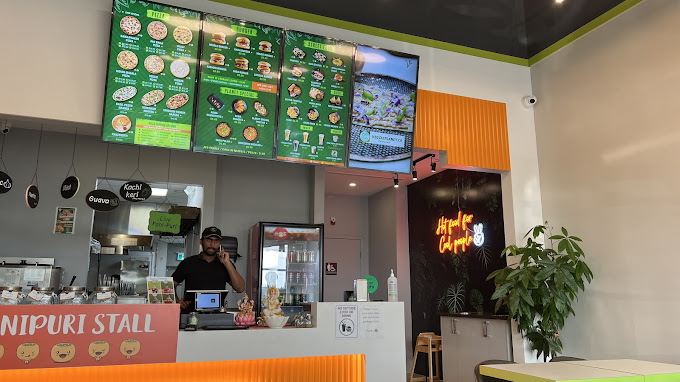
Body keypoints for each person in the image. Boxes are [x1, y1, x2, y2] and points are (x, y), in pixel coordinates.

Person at [172, 226, 245, 311]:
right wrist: (177, 301)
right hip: (190, 317)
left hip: (216, 317)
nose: (212, 244)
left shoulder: (225, 264)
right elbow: (171, 285)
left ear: (220, 244)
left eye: (216, 241)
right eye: (209, 240)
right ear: (201, 241)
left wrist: (227, 263)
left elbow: (240, 288)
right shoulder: (188, 263)